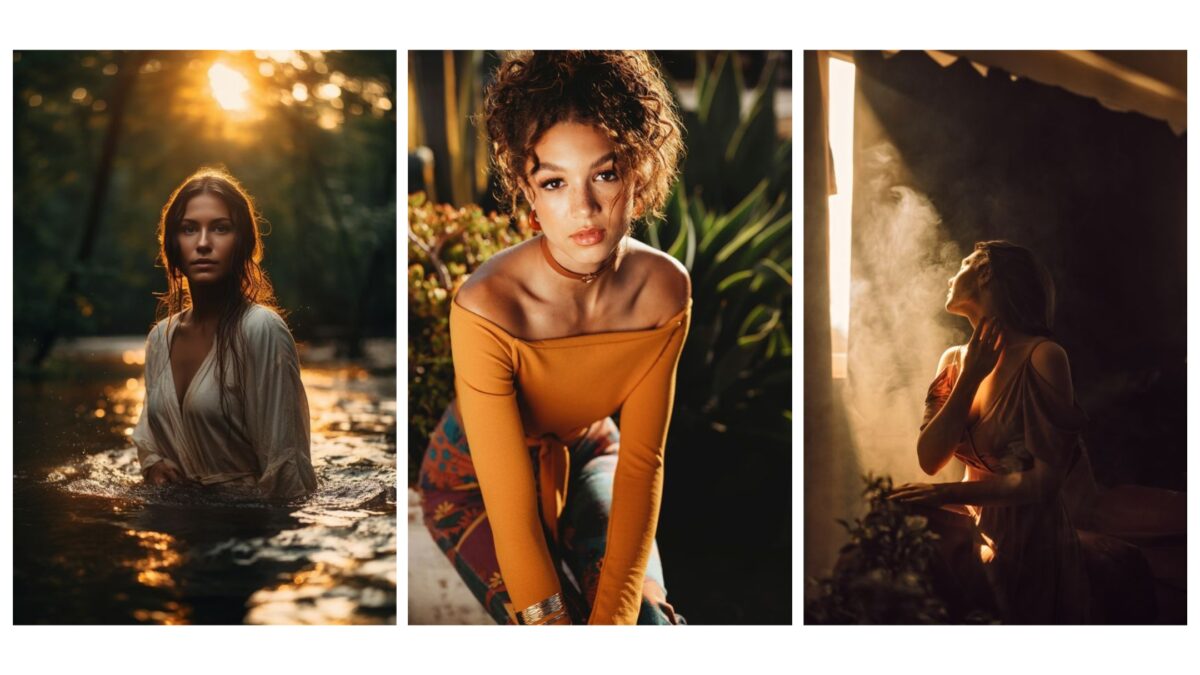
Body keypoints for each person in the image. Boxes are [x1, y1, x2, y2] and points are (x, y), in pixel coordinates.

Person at [418, 51, 690, 625]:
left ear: (638, 173)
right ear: (528, 191)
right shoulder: (487, 304)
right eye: (555, 181)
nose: (584, 206)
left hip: (591, 448)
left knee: (648, 625)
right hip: (471, 483)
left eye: (605, 173)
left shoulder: (665, 290)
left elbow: (643, 462)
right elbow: (510, 505)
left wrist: (616, 622)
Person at [892, 240, 1181, 624]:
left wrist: (944, 492)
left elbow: (1042, 482)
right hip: (976, 524)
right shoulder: (954, 360)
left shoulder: (1044, 356)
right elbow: (929, 460)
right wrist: (970, 377)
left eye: (962, 264)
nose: (950, 275)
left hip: (1031, 540)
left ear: (985, 272)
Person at [132, 168, 317, 500]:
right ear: (173, 244)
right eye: (189, 229)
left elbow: (287, 470)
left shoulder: (262, 331)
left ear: (242, 242)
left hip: (246, 533)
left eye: (220, 228)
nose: (203, 243)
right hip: (178, 530)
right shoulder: (160, 338)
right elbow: (150, 437)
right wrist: (155, 465)